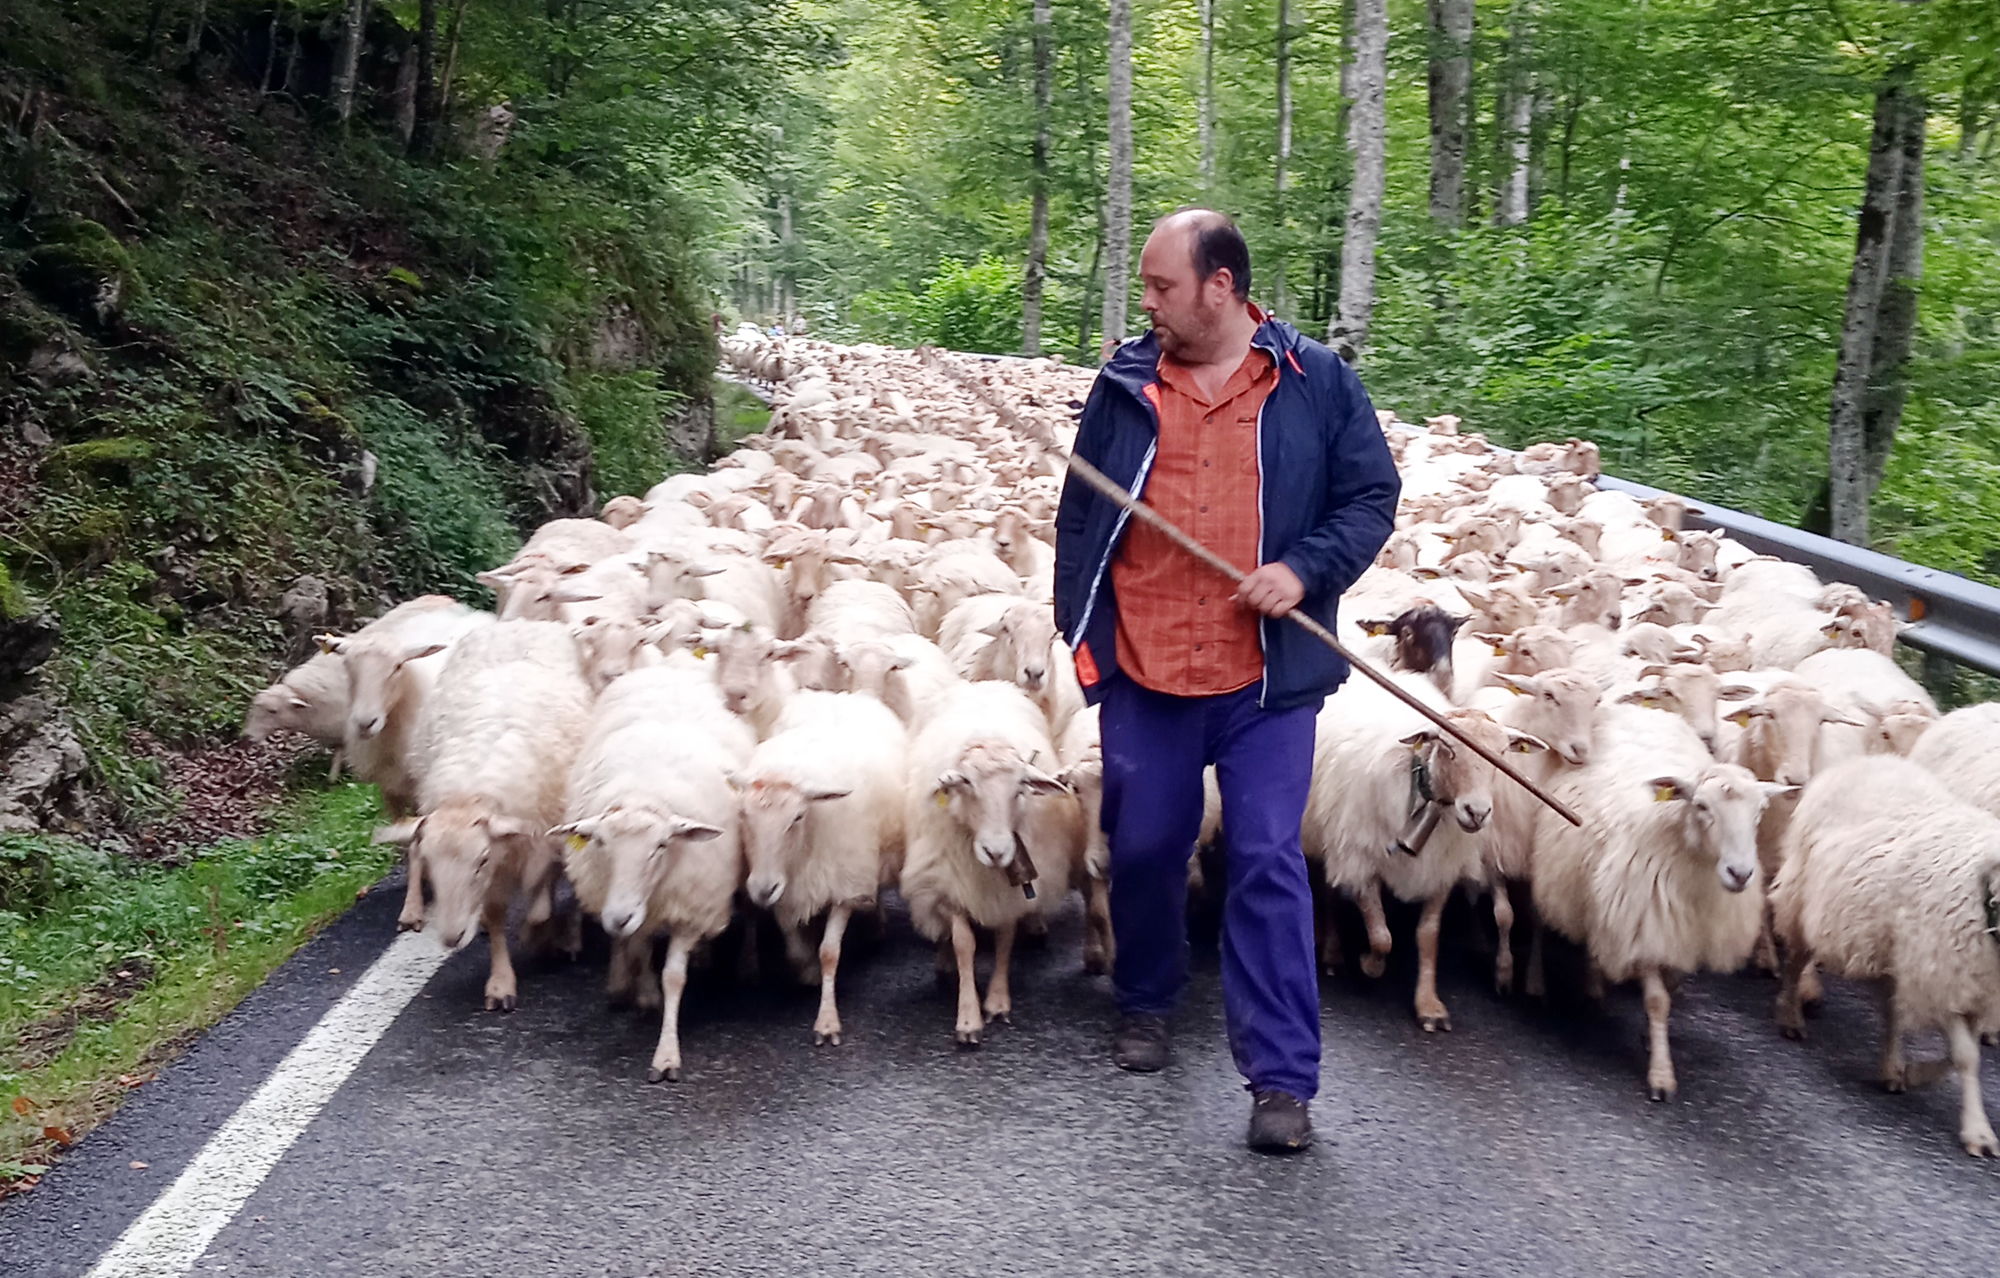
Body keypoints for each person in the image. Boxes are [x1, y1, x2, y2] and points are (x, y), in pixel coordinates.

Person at [1053, 209, 1400, 1153]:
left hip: (1264, 678)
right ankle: (1145, 1000)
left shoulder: (1315, 381)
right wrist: (1082, 636)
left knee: (1265, 860)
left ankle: (1282, 1079)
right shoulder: (1125, 382)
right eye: (1147, 287)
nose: (1149, 304)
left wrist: (1303, 569)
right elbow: (1081, 518)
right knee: (1148, 845)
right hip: (1148, 669)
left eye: (1163, 286)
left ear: (1221, 286)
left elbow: (1371, 497)